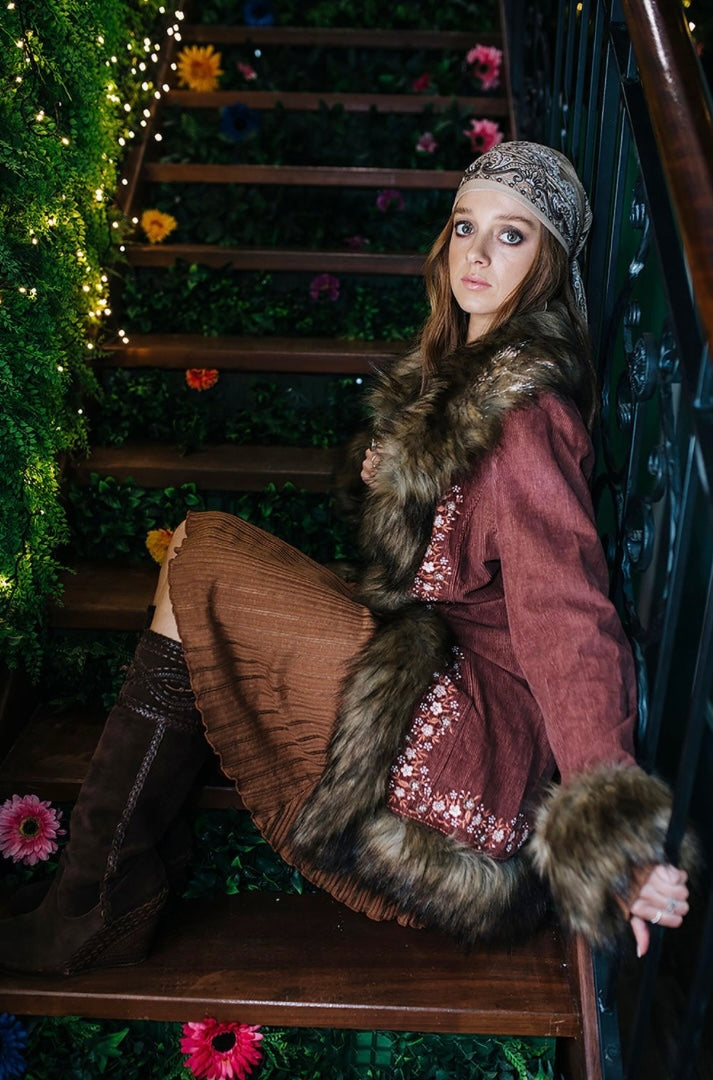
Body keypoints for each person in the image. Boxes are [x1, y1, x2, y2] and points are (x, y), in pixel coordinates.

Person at [0, 141, 692, 976]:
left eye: (511, 236)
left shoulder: (524, 418)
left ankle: (99, 899)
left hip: (475, 748)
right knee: (200, 554)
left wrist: (611, 838)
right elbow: (451, 554)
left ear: (546, 265)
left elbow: (566, 617)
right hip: (439, 674)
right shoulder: (464, 381)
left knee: (203, 550)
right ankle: (107, 889)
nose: (477, 253)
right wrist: (399, 479)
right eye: (465, 226)